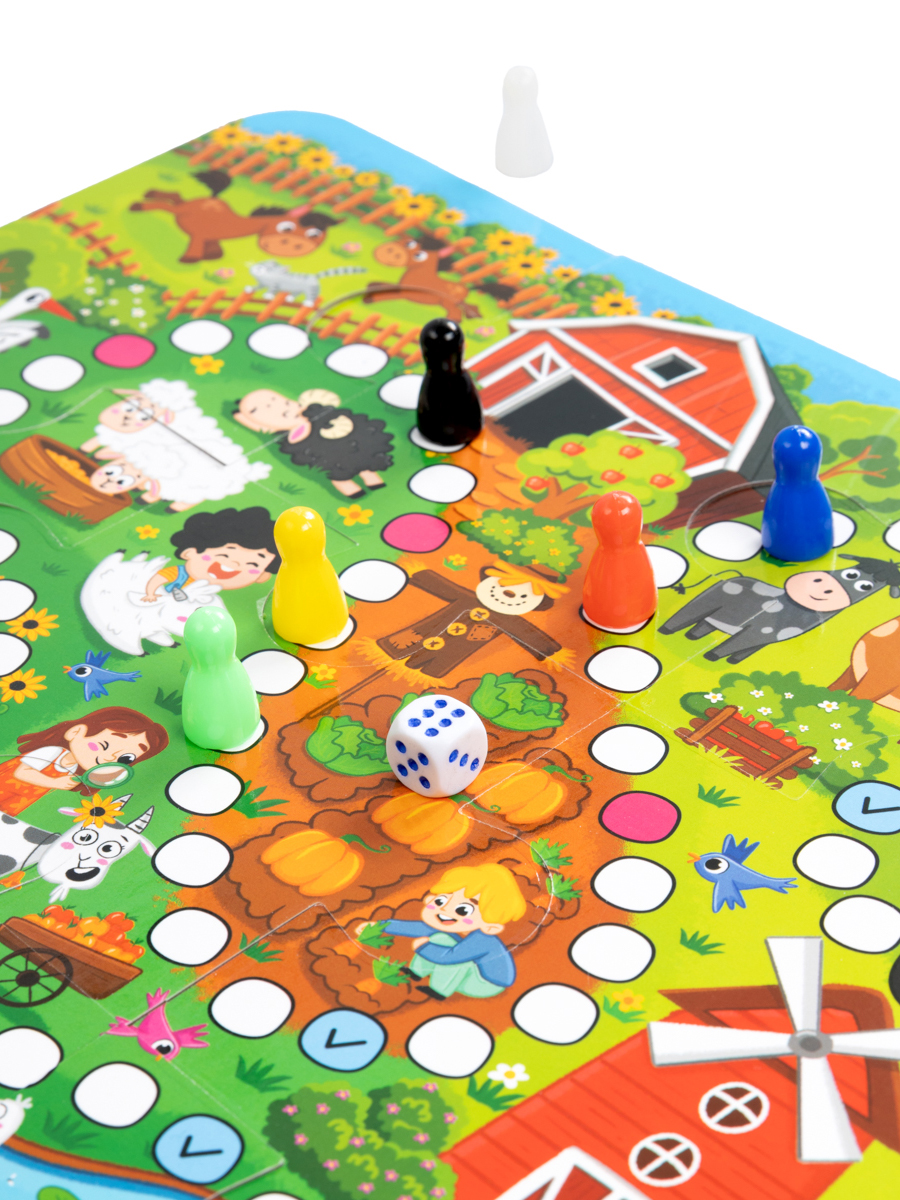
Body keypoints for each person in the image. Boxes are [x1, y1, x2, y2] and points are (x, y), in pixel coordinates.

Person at [361, 863, 526, 1000]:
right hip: (466, 973)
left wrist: (423, 947)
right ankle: (416, 972)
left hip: (485, 984)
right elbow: (417, 928)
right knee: (439, 937)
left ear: (491, 926)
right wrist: (380, 926)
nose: (445, 910)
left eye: (463, 910)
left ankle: (439, 991)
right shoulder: (450, 928)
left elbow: (450, 957)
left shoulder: (484, 940)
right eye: (441, 900)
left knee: (454, 956)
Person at [0, 706, 168, 817]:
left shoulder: (73, 769)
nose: (110, 758)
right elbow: (20, 772)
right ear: (76, 732)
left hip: (18, 800)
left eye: (125, 759)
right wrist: (55, 782)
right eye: (104, 745)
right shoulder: (53, 752)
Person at [233, 387, 393, 498]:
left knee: (365, 463)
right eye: (258, 411)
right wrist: (241, 417)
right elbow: (264, 428)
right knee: (339, 474)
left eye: (286, 403)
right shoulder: (295, 435)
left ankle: (373, 480)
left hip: (351, 443)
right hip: (326, 456)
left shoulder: (318, 412)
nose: (279, 407)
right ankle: (352, 491)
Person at [140, 507, 280, 604]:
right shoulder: (180, 574)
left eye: (253, 564)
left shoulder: (214, 599)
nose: (236, 564)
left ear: (262, 575)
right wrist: (150, 594)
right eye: (224, 555)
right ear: (190, 552)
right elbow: (160, 578)